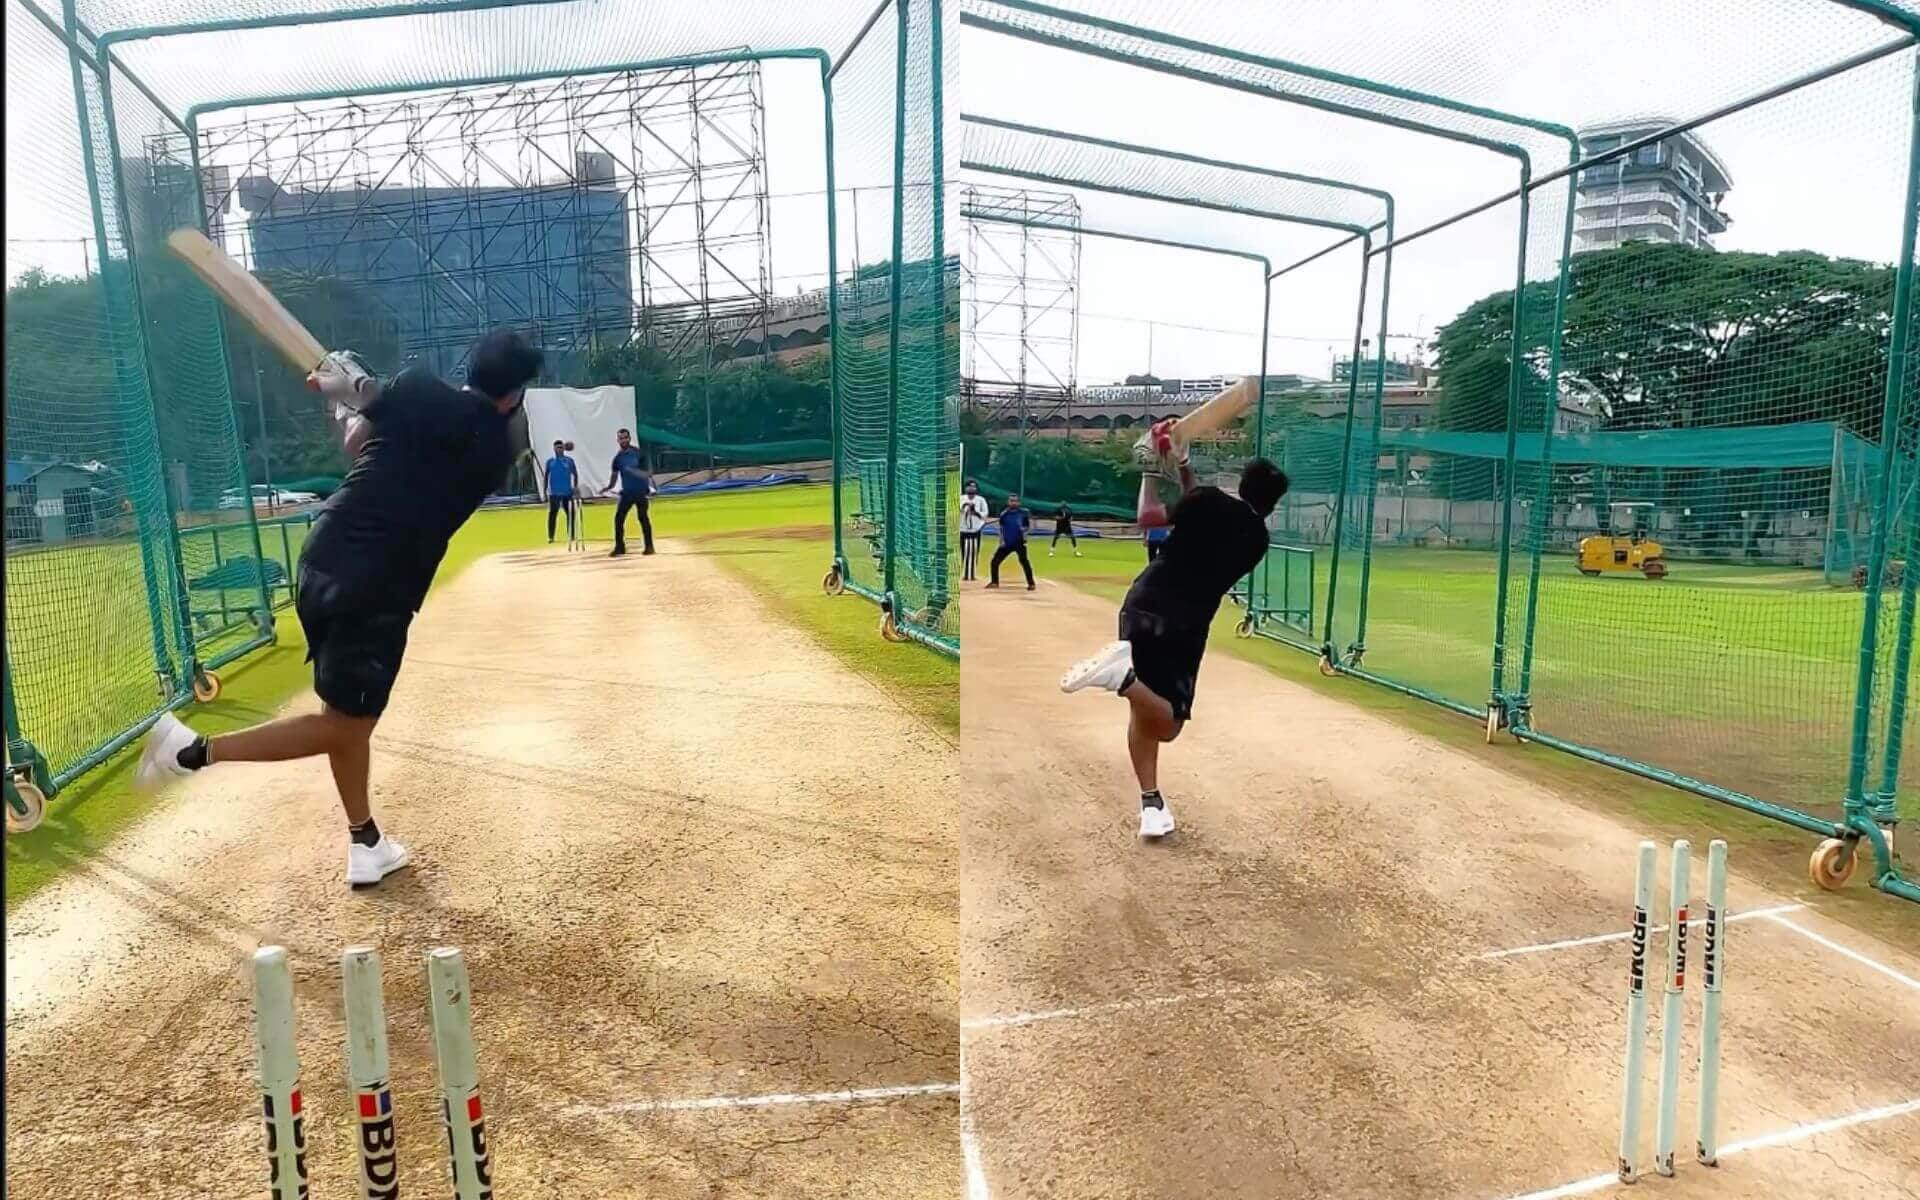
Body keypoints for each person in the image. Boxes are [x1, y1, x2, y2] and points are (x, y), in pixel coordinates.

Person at [132, 329, 545, 886]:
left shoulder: (416, 391)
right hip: (376, 582)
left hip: (324, 553)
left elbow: (358, 440)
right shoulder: (496, 448)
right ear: (514, 394)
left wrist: (347, 395)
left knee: (345, 716)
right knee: (348, 726)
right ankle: (190, 753)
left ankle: (365, 840)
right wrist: (355, 392)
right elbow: (420, 423)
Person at [1060, 418, 1288, 840]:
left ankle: (1151, 802)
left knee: (1144, 711)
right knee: (1169, 724)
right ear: (1272, 503)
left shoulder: (1207, 500)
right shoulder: (1258, 540)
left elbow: (1150, 516)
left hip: (1141, 603)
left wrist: (1155, 471)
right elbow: (1210, 510)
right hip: (1182, 623)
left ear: (1241, 482)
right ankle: (1122, 678)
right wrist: (1180, 465)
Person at [599, 428, 655, 557]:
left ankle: (649, 546)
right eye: (621, 438)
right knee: (618, 519)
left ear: (629, 439)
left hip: (640, 491)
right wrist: (608, 487)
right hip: (627, 493)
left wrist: (634, 471)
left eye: (625, 437)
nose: (623, 440)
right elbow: (614, 477)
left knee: (643, 518)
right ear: (618, 440)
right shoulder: (617, 459)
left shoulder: (639, 453)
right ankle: (620, 547)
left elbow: (648, 473)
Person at [986, 493, 1035, 591]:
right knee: (995, 561)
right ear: (1008, 502)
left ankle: (1031, 584)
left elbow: (1029, 527)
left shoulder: (1023, 513)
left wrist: (1025, 533)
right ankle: (994, 582)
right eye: (1011, 501)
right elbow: (1001, 528)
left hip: (1019, 542)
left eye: (1015, 501)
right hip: (1007, 543)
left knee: (1024, 562)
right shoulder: (1004, 514)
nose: (1013, 503)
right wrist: (1001, 541)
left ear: (1018, 502)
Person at [543, 439, 579, 543]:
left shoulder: (569, 461)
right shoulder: (550, 461)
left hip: (567, 492)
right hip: (554, 493)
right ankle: (551, 536)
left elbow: (575, 474)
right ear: (554, 449)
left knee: (571, 514)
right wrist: (545, 491)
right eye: (558, 447)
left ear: (564, 448)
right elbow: (546, 477)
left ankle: (571, 535)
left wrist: (575, 487)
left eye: (561, 447)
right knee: (552, 514)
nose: (560, 449)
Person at [959, 479, 990, 581]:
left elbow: (984, 515)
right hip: (963, 529)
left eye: (973, 486)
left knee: (974, 551)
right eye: (969, 486)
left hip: (975, 530)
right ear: (965, 488)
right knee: (964, 551)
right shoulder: (961, 499)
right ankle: (964, 573)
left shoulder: (981, 500)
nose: (971, 488)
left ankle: (972, 574)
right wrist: (966, 508)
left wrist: (975, 511)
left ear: (976, 489)